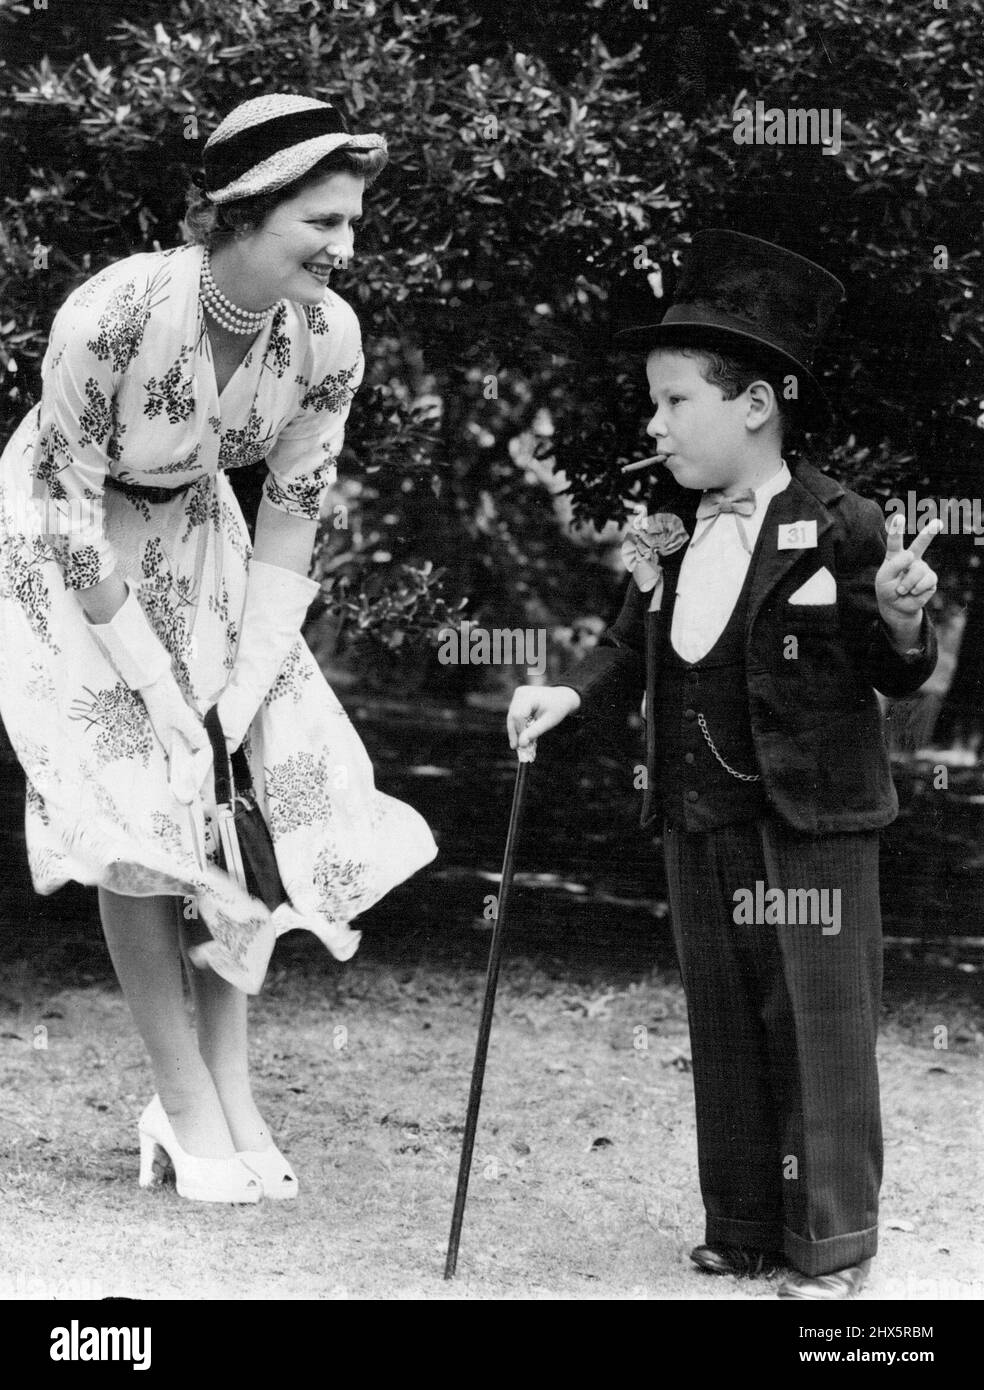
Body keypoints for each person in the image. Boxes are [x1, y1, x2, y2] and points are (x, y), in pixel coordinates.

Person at [0, 93, 437, 1204]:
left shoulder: (326, 334)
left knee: (234, 792)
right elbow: (65, 510)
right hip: (67, 544)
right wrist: (157, 691)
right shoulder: (114, 313)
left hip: (201, 534)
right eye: (322, 224)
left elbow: (294, 507)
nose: (345, 249)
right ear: (244, 210)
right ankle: (182, 1099)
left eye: (351, 224)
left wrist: (239, 691)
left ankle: (230, 1089)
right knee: (141, 798)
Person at [507, 231, 939, 1298]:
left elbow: (892, 669)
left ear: (754, 405)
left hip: (812, 822)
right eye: (652, 404)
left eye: (673, 402)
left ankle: (832, 1246)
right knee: (729, 1018)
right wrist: (569, 693)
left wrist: (897, 615)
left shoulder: (841, 522)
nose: (653, 427)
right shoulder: (662, 532)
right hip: (699, 815)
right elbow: (623, 646)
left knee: (819, 1028)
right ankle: (744, 1221)